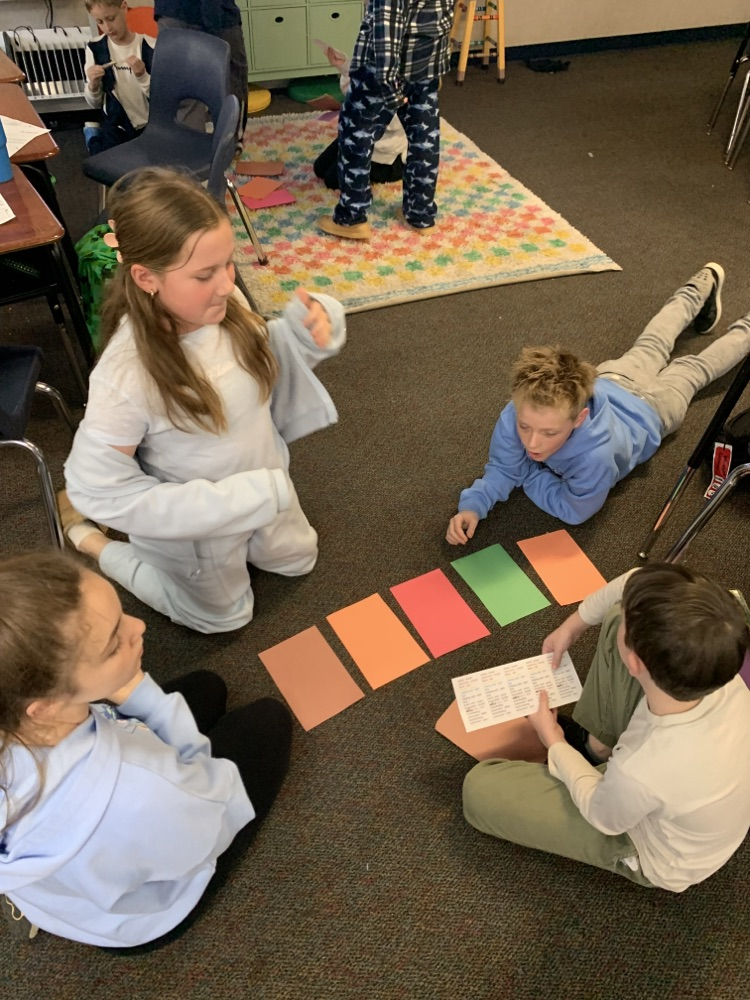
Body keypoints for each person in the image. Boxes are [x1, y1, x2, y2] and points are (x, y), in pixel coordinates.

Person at [61, 167, 346, 634]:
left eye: (228, 263)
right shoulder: (126, 374)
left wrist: (305, 331)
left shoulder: (223, 301)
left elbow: (248, 367)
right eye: (204, 274)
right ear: (146, 278)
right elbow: (97, 488)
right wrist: (229, 502)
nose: (225, 283)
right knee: (224, 620)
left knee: (298, 560)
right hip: (197, 530)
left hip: (264, 485)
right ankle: (92, 542)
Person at [0, 550, 292, 946]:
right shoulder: (139, 788)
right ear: (46, 705)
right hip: (143, 916)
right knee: (268, 719)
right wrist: (151, 704)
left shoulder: (20, 714)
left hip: (70, 891)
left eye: (122, 616)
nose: (138, 626)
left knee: (207, 686)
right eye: (111, 645)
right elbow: (212, 821)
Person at [462, 563, 750, 892]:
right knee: (613, 615)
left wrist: (554, 740)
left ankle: (587, 752)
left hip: (652, 848)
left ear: (636, 662)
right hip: (672, 785)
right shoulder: (722, 671)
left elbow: (604, 816)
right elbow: (635, 581)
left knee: (479, 788)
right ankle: (597, 747)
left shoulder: (641, 769)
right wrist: (575, 624)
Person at [447, 263, 750, 539]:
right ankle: (701, 286)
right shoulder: (517, 412)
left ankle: (733, 315)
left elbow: (575, 510)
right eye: (525, 427)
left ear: (580, 419)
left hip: (655, 409)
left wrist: (526, 473)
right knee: (653, 343)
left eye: (549, 432)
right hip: (614, 379)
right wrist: (473, 505)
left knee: (695, 368)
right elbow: (503, 467)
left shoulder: (596, 457)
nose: (533, 444)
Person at [317, 0, 455, 241]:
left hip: (383, 73)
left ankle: (351, 217)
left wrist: (388, 86)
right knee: (424, 138)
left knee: (355, 136)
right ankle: (419, 213)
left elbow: (386, 26)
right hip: (425, 66)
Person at [313, 43, 406, 191]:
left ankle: (397, 170)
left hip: (383, 152)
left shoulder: (402, 83)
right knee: (319, 168)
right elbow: (355, 82)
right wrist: (343, 65)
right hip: (354, 139)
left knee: (332, 180)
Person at [153, 0, 249, 142]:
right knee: (189, 87)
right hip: (183, 11)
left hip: (206, 10)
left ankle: (223, 143)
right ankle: (207, 147)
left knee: (228, 82)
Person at [83, 0, 156, 155]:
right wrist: (93, 85)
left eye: (111, 19)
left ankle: (95, 135)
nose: (107, 28)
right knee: (104, 165)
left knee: (153, 171)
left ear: (123, 7)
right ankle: (93, 138)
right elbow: (94, 103)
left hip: (151, 126)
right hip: (117, 124)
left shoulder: (151, 46)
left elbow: (162, 99)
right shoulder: (95, 48)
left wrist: (142, 76)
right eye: (100, 22)